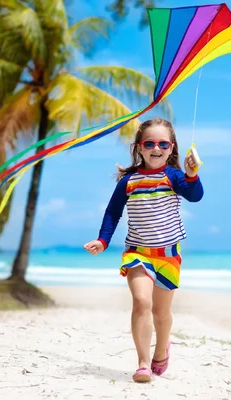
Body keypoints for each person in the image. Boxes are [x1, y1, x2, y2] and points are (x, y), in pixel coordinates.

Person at [83, 117, 203, 383]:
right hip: (137, 253)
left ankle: (162, 348)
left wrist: (192, 175)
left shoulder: (173, 177)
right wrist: (103, 240)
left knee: (161, 314)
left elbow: (195, 196)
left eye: (163, 143)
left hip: (168, 256)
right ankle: (142, 363)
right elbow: (113, 212)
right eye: (149, 143)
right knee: (141, 302)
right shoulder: (129, 180)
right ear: (139, 147)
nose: (156, 148)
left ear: (172, 148)